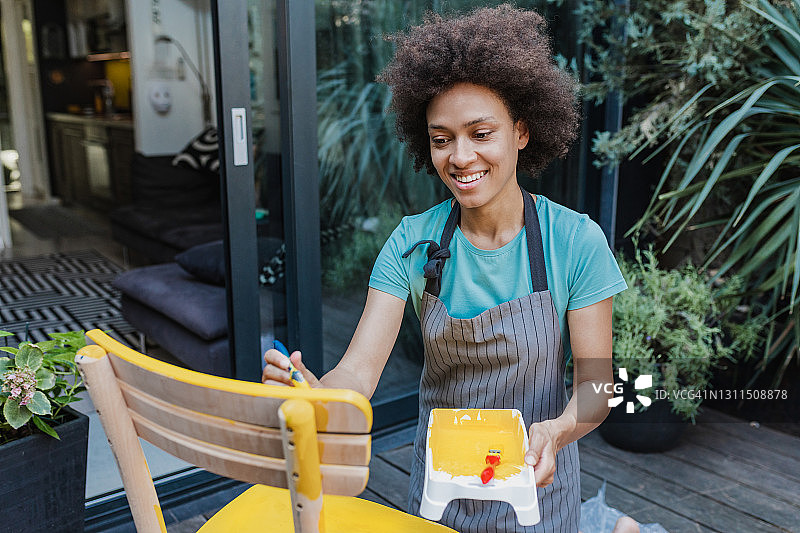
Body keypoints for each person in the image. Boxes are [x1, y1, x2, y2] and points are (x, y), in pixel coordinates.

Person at [263, 5, 627, 532]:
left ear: (521, 132)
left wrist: (560, 430)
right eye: (441, 139)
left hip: (538, 487)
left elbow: (597, 386)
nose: (459, 157)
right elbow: (358, 373)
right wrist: (314, 395)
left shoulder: (575, 241)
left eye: (481, 133)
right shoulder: (412, 242)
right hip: (439, 495)